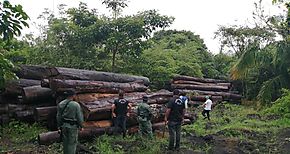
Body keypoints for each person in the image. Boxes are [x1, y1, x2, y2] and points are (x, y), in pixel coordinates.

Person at [56, 89, 84, 154]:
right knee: (72, 145)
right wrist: (81, 126)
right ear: (73, 95)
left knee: (65, 144)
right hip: (72, 127)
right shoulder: (75, 105)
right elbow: (79, 117)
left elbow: (58, 117)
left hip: (64, 126)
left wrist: (59, 127)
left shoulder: (61, 104)